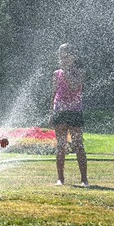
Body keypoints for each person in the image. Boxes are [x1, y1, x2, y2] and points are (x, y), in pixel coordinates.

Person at [49, 43, 88, 187]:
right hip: (59, 111)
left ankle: (84, 179)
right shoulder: (56, 74)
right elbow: (53, 94)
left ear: (72, 57)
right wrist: (51, 113)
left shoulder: (79, 72)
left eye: (66, 56)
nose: (63, 59)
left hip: (75, 111)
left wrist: (66, 72)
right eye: (61, 56)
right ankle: (60, 178)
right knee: (61, 146)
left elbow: (74, 86)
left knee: (78, 145)